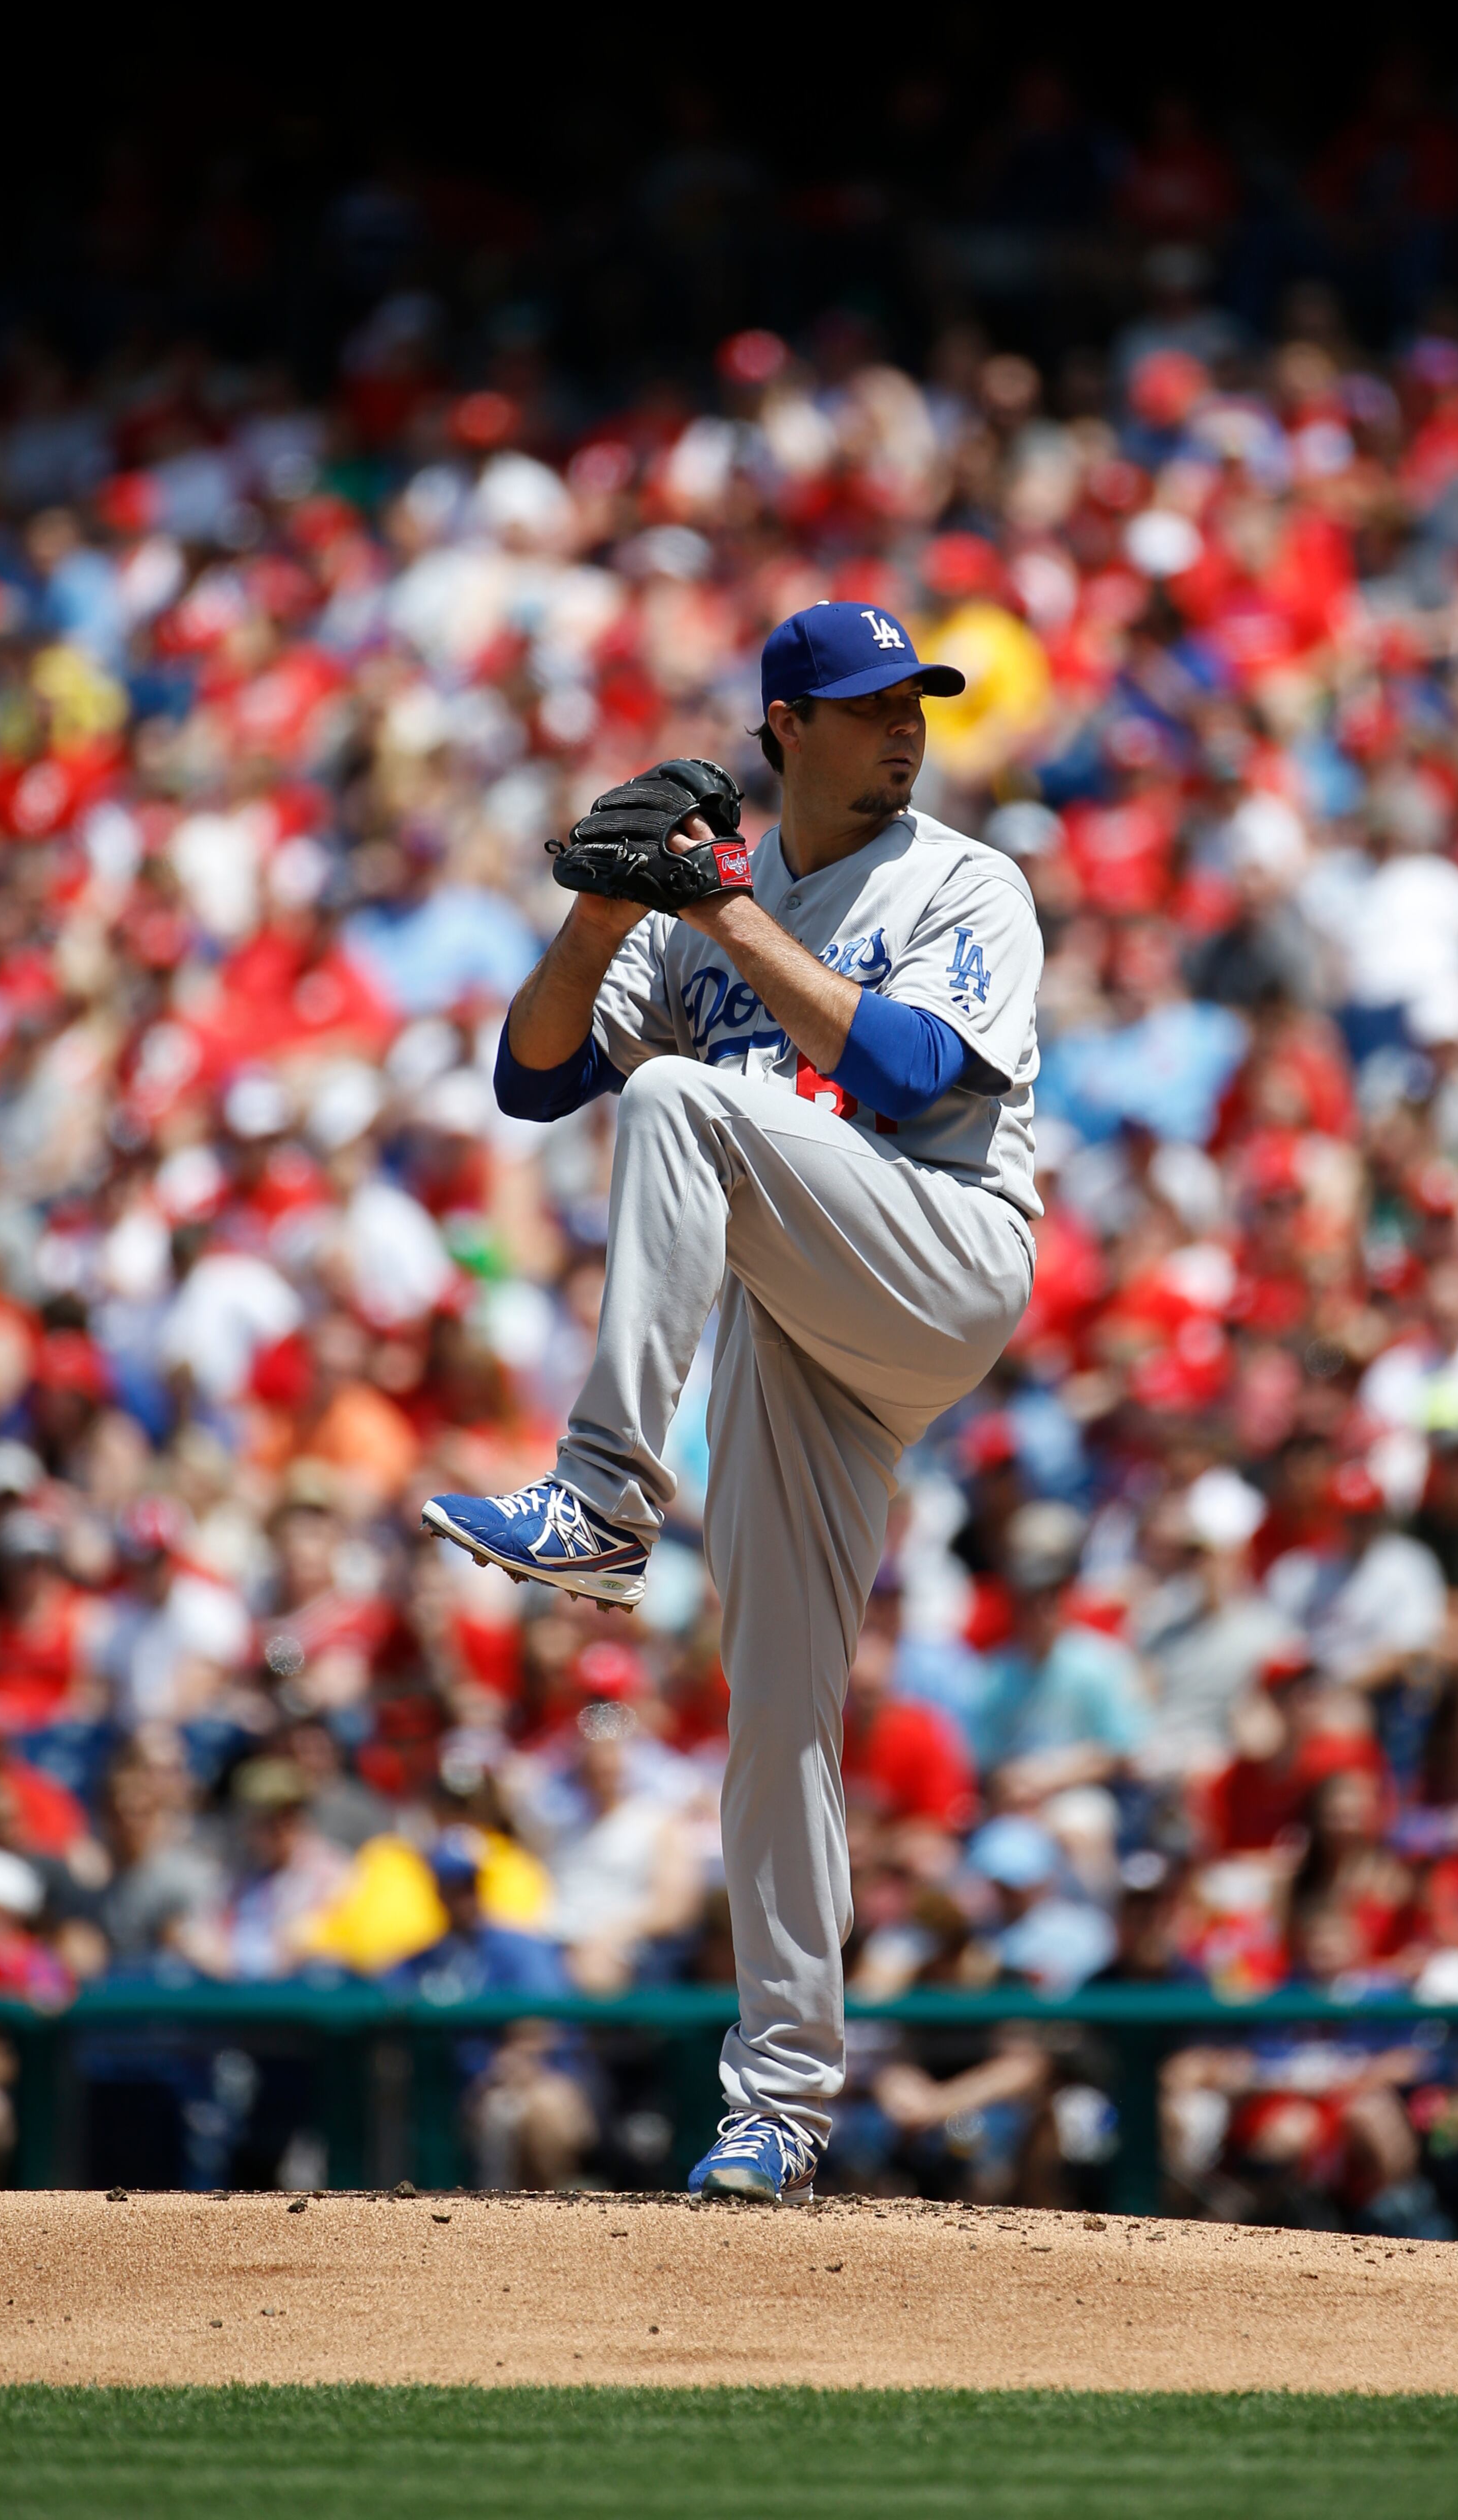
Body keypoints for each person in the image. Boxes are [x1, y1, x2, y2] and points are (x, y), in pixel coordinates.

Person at [425, 601, 1042, 2201]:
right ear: (786, 727)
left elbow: (918, 1076)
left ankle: (608, 1496)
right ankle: (776, 2109)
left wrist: (720, 920)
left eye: (917, 700)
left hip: (945, 1249)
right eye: (866, 704)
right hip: (797, 1322)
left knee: (695, 1102)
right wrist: (604, 910)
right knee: (775, 1714)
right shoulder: (722, 899)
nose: (905, 725)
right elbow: (536, 1075)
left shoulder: (960, 878)